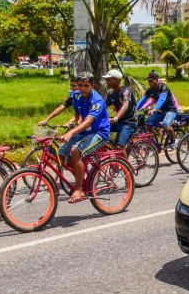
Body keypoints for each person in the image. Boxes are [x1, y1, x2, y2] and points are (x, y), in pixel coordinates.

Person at [57, 72, 111, 204]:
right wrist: (75, 122)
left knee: (76, 151)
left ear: (92, 85)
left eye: (86, 85)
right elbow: (77, 109)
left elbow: (88, 122)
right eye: (80, 85)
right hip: (84, 131)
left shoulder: (97, 100)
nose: (82, 89)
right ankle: (82, 177)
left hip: (99, 133)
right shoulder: (76, 95)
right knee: (62, 153)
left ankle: (79, 189)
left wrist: (70, 133)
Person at [136, 71, 177, 141]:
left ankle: (174, 139)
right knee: (147, 124)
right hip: (160, 111)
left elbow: (162, 99)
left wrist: (155, 109)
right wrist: (134, 109)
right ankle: (153, 141)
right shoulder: (149, 90)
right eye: (148, 81)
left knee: (165, 124)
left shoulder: (163, 87)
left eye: (151, 81)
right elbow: (142, 101)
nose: (149, 82)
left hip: (170, 110)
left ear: (157, 79)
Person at [102, 69, 137, 149]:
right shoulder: (111, 93)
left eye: (109, 80)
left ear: (117, 80)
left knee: (118, 147)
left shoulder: (125, 91)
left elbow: (125, 105)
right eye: (106, 80)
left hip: (129, 123)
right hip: (118, 122)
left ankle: (124, 162)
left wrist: (115, 118)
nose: (107, 82)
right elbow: (102, 106)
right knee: (98, 131)